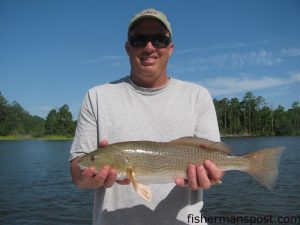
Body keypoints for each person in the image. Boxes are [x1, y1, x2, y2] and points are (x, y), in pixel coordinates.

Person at [69, 8, 223, 225]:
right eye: (139, 39)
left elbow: (217, 166)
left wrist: (212, 176)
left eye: (159, 39)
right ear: (127, 48)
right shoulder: (96, 96)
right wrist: (91, 177)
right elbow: (78, 174)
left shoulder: (198, 95)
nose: (149, 47)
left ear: (170, 49)